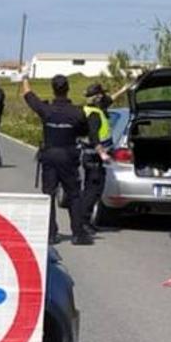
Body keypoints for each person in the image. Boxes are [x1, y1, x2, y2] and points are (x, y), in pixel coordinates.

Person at [22, 74, 96, 245]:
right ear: (68, 89)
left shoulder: (46, 109)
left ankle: (51, 234)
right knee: (74, 195)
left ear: (53, 89)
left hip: (49, 156)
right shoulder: (77, 112)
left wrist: (25, 78)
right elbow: (84, 132)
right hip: (68, 157)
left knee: (49, 195)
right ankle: (78, 234)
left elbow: (28, 96)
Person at [79, 82, 114, 232]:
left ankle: (85, 221)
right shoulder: (94, 114)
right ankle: (83, 222)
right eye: (101, 94)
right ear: (97, 96)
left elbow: (110, 99)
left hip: (91, 157)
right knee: (92, 191)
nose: (103, 96)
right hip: (94, 158)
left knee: (91, 190)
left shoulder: (91, 110)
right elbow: (93, 136)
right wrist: (102, 153)